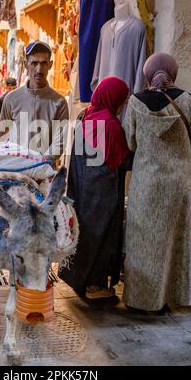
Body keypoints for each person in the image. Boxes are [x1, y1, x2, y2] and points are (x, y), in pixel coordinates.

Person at [122, 52, 191, 313]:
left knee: (143, 241)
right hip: (180, 182)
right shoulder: (188, 101)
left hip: (148, 180)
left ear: (147, 73)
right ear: (172, 72)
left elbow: (130, 141)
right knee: (176, 241)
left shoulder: (135, 103)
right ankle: (168, 298)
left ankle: (141, 300)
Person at [59, 77, 132, 299]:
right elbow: (124, 161)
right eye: (122, 101)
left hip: (83, 188)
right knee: (102, 237)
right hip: (103, 193)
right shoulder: (110, 124)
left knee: (84, 234)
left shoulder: (86, 115)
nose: (122, 106)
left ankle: (77, 279)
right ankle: (94, 286)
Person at [0, 41, 69, 163]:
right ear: (26, 64)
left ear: (50, 65)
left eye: (44, 63)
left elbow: (58, 143)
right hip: (13, 168)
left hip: (43, 171)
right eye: (34, 63)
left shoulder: (59, 103)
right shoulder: (11, 99)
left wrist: (38, 163)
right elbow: (2, 133)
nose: (39, 69)